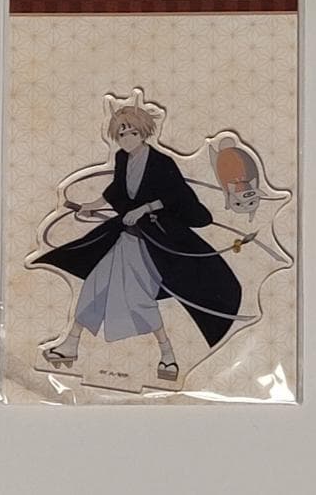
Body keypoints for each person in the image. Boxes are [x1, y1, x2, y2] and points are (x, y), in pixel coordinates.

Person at [35, 106, 241, 381]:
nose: (127, 139)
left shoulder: (162, 162)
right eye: (122, 134)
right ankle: (71, 344)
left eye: (133, 132)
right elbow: (116, 190)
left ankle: (168, 356)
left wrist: (145, 208)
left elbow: (177, 196)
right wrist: (90, 205)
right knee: (96, 284)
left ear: (144, 133)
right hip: (127, 236)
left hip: (155, 239)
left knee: (137, 296)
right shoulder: (122, 158)